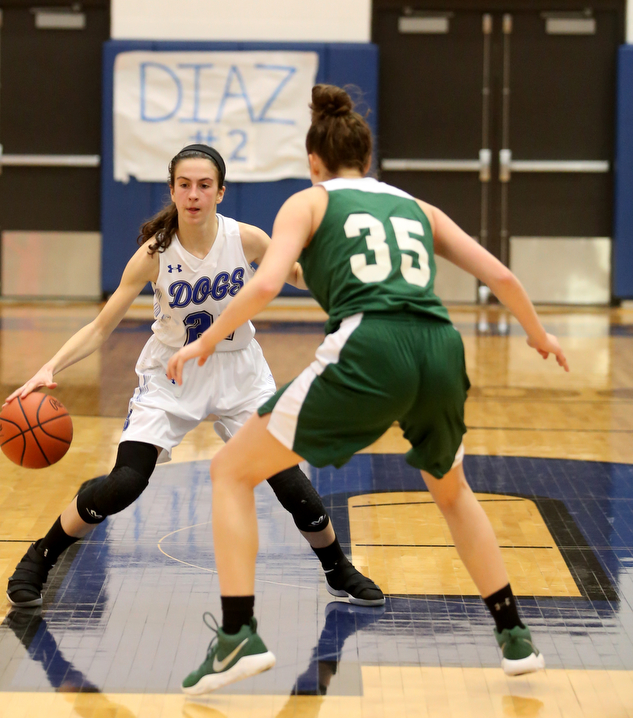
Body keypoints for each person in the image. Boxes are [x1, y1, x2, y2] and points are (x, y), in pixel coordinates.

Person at [167, 85, 570, 695]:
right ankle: (515, 636)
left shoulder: (308, 202)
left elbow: (267, 283)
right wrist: (537, 334)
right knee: (453, 491)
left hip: (370, 344)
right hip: (440, 346)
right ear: (368, 157)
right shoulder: (415, 207)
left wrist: (204, 340)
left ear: (314, 162)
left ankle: (237, 635)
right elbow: (501, 275)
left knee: (230, 472)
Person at [3, 143, 384, 615]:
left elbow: (300, 276)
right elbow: (101, 327)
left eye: (205, 185)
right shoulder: (153, 255)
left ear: (221, 192)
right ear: (172, 190)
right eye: (184, 185)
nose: (194, 194)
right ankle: (42, 553)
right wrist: (49, 367)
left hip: (240, 371)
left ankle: (337, 568)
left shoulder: (246, 239)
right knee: (124, 484)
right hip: (172, 375)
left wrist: (342, 280)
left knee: (288, 480)